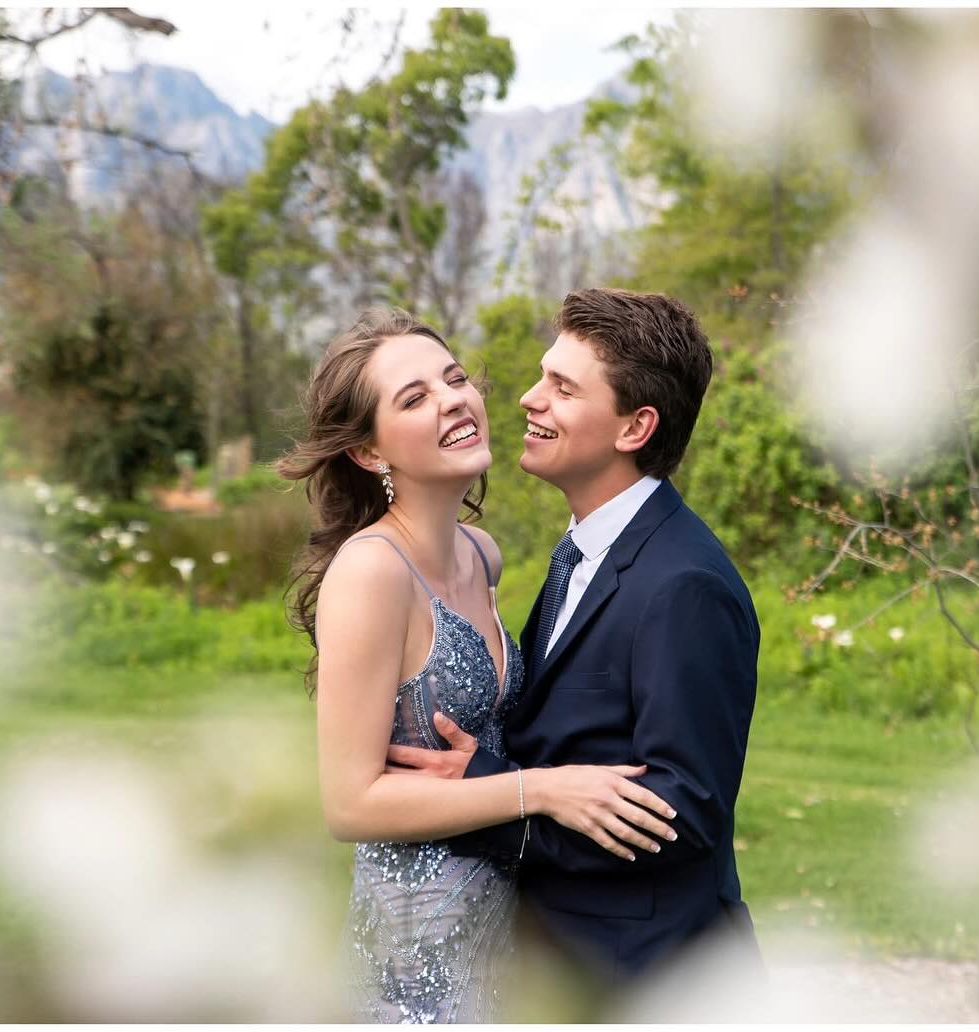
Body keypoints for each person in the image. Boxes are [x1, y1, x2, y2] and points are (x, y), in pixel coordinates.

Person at [276, 308, 678, 1023]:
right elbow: (350, 803)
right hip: (414, 955)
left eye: (454, 378)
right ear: (370, 452)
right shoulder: (371, 572)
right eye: (414, 398)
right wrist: (543, 790)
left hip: (498, 934)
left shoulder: (480, 552)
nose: (453, 399)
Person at [386, 288, 763, 1012]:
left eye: (562, 387)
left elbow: (680, 810)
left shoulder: (683, 584)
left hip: (643, 980)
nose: (530, 398)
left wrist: (493, 798)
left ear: (635, 426)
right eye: (541, 376)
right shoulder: (587, 551)